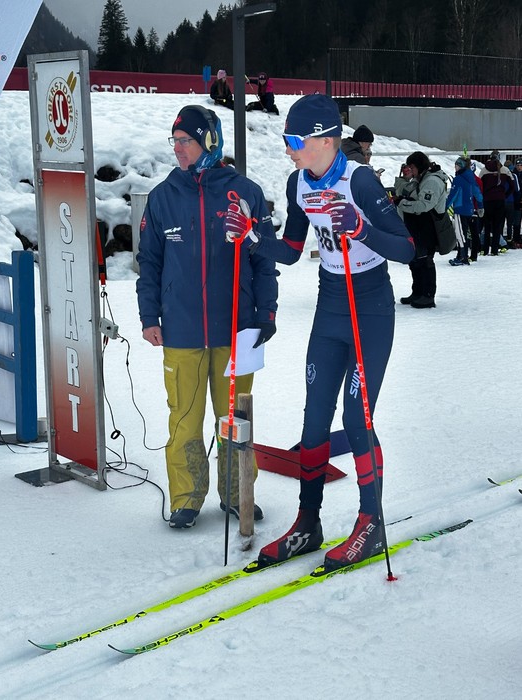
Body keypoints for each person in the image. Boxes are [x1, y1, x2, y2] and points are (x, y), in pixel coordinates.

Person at [224, 94, 415, 571]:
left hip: (369, 307)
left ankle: (371, 522)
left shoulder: (360, 180)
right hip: (331, 305)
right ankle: (308, 523)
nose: (288, 148)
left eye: (294, 140)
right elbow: (291, 249)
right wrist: (251, 234)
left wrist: (360, 227)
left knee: (356, 418)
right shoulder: (297, 182)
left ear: (324, 140)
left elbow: (408, 248)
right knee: (313, 420)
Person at [136, 105, 279, 529]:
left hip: (237, 329)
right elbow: (150, 262)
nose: (178, 149)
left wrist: (267, 312)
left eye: (187, 141)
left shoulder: (245, 192)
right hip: (181, 329)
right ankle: (186, 497)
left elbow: (264, 260)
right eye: (175, 141)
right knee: (184, 418)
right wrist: (149, 315)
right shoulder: (163, 197)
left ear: (209, 142)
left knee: (235, 419)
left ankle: (237, 493)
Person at [397, 151, 449, 308]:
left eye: (411, 167)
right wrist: (403, 179)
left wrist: (402, 203)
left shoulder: (431, 181)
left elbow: (423, 205)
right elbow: (404, 191)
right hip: (419, 226)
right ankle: (418, 292)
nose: (410, 170)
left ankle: (427, 295)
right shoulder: (422, 179)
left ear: (418, 166)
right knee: (416, 260)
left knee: (425, 260)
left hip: (428, 227)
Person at [446, 156, 484, 266]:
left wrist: (444, 207)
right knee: (464, 233)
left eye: (456, 165)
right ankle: (461, 255)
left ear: (460, 166)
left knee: (460, 234)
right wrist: (480, 206)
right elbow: (477, 193)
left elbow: (453, 195)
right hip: (469, 209)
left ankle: (463, 256)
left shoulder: (458, 179)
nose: (455, 167)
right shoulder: (471, 177)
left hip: (460, 209)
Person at [479, 157, 514, 256]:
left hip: (487, 200)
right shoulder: (505, 170)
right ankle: (494, 250)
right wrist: (504, 195)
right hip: (500, 200)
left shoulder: (484, 170)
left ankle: (485, 249)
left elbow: (479, 185)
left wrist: (484, 195)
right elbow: (512, 185)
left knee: (487, 226)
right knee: (497, 226)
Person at [512, 158, 522, 247]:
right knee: (516, 222)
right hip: (516, 202)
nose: (519, 167)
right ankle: (516, 239)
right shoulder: (513, 174)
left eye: (521, 165)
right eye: (518, 165)